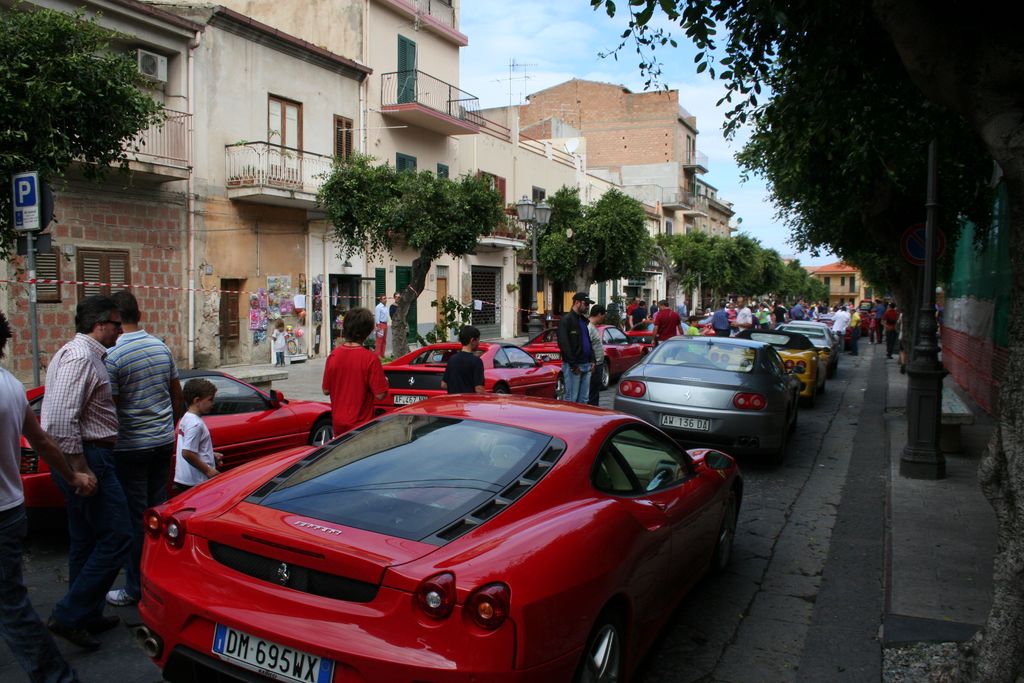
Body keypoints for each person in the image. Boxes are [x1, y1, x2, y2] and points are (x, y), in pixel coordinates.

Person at [1, 311, 96, 678]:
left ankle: (57, 676)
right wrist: (72, 476)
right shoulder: (11, 385)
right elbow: (41, 440)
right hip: (11, 509)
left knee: (11, 607)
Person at [41, 295, 130, 650]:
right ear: (99, 325)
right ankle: (69, 615)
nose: (121, 330)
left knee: (86, 539)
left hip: (88, 455)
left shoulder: (85, 355)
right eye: (116, 324)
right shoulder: (80, 357)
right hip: (89, 457)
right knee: (118, 536)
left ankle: (85, 615)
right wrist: (79, 470)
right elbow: (60, 420)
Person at [103, 291, 184, 608]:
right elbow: (176, 396)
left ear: (115, 319)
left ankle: (136, 587)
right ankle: (163, 577)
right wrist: (167, 427)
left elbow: (110, 408)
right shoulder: (161, 347)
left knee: (136, 519)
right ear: (139, 314)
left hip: (131, 447)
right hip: (162, 442)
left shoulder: (113, 355)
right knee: (158, 512)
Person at [322, 307, 388, 434]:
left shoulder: (333, 356)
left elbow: (326, 390)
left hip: (338, 424)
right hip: (361, 427)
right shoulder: (371, 359)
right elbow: (380, 395)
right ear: (367, 332)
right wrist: (385, 382)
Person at [172, 378, 222, 495]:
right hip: (197, 481)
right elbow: (187, 452)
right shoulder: (196, 424)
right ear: (197, 400)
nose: (213, 403)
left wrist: (211, 454)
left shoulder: (186, 418)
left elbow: (190, 447)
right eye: (210, 400)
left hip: (185, 478)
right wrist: (208, 470)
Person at [557, 292, 594, 403]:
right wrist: (573, 365)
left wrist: (592, 360)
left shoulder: (583, 320)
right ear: (577, 303)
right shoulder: (566, 320)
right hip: (574, 366)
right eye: (585, 304)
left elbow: (588, 341)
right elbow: (564, 344)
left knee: (584, 400)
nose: (587, 307)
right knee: (572, 400)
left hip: (586, 365)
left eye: (588, 304)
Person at [441, 325, 485, 395]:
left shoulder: (452, 359)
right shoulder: (476, 361)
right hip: (468, 401)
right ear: (472, 340)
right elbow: (479, 389)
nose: (478, 343)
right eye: (478, 340)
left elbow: (443, 385)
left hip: (453, 400)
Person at [587, 305, 607, 406]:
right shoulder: (589, 327)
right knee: (593, 392)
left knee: (595, 391)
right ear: (599, 314)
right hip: (594, 364)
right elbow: (587, 346)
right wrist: (592, 361)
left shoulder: (592, 327)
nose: (603, 318)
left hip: (597, 363)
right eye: (603, 316)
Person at [373, 294, 389, 359]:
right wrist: (378, 326)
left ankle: (382, 354)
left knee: (384, 340)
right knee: (379, 340)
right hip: (380, 324)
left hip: (385, 324)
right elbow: (377, 317)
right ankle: (378, 355)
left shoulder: (385, 307)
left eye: (386, 298)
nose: (385, 300)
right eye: (384, 298)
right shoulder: (378, 307)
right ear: (381, 300)